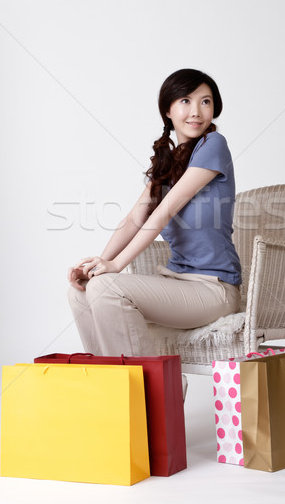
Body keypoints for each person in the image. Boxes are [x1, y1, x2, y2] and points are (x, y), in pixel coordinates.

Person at [67, 68, 242, 356]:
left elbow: (163, 212)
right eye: (186, 101)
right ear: (168, 111)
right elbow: (134, 219)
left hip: (214, 290)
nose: (196, 111)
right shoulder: (169, 164)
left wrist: (116, 266)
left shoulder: (213, 145)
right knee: (82, 290)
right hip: (175, 283)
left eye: (205, 101)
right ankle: (113, 385)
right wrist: (100, 264)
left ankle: (154, 389)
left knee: (105, 287)